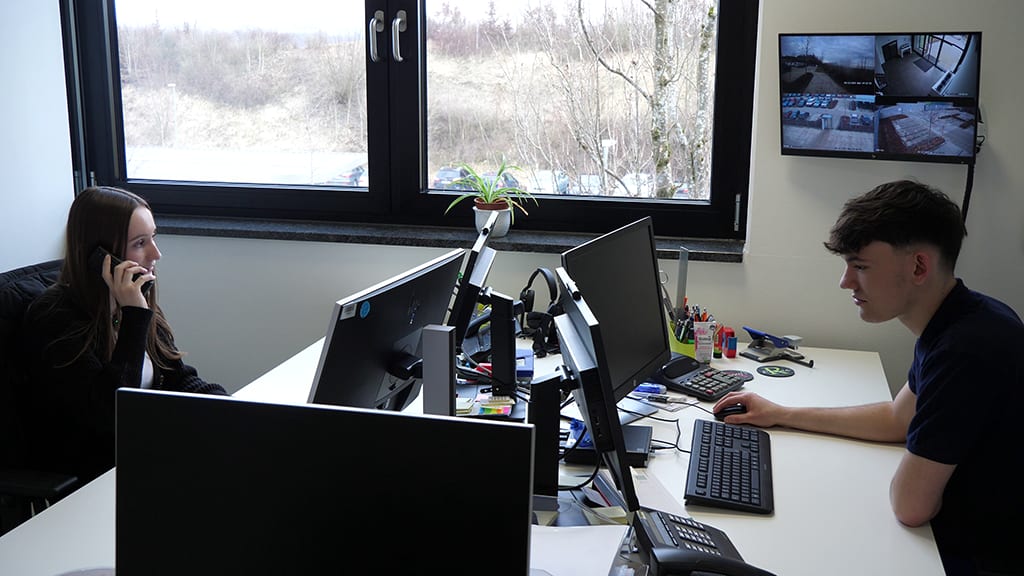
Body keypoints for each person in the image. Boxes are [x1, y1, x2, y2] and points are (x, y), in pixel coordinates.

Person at [714, 180, 1021, 576]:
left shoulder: (965, 350)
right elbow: (898, 418)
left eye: (860, 266)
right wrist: (782, 413)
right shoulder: (967, 318)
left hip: (972, 558)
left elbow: (910, 507)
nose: (846, 282)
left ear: (918, 267)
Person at [22, 186, 228, 486]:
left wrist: (231, 410)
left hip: (147, 455)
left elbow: (176, 377)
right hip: (99, 477)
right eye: (140, 243)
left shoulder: (132, 302)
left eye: (153, 237)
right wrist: (135, 318)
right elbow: (110, 414)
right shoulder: (54, 318)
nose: (156, 253)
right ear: (101, 255)